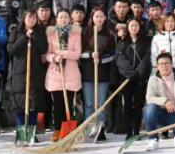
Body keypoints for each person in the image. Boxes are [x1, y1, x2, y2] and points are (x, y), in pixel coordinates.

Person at [6, 9, 49, 135]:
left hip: (35, 73)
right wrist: (25, 37)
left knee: (33, 105)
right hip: (19, 73)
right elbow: (11, 50)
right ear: (24, 19)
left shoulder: (40, 32)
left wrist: (33, 35)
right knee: (20, 105)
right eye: (29, 17)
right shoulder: (16, 32)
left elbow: (43, 49)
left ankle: (31, 133)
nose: (32, 20)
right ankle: (21, 132)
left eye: (34, 17)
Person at [143, 52, 175, 152]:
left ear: (172, 64)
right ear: (157, 66)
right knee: (149, 108)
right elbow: (149, 98)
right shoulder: (153, 79)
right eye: (161, 64)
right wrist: (165, 101)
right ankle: (153, 139)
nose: (164, 66)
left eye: (167, 63)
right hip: (160, 114)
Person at [44, 9, 82, 139]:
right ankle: (57, 129)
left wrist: (63, 53)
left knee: (69, 104)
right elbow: (47, 53)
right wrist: (54, 58)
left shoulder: (75, 34)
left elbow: (77, 53)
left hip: (71, 73)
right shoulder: (51, 34)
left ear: (70, 19)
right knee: (58, 104)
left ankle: (68, 129)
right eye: (61, 17)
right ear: (56, 19)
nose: (63, 20)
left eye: (66, 17)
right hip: (56, 73)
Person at [81, 8, 115, 140]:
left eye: (101, 16)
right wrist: (90, 55)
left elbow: (113, 55)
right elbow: (79, 53)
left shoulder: (109, 34)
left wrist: (100, 59)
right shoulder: (85, 33)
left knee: (101, 103)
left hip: (103, 74)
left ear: (105, 18)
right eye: (96, 16)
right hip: (88, 73)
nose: (99, 19)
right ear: (92, 18)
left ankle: (100, 129)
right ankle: (89, 128)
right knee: (89, 103)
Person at [117, 18, 152, 137]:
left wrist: (138, 72)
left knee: (138, 104)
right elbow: (120, 59)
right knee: (127, 104)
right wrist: (130, 73)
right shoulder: (122, 42)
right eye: (131, 25)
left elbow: (147, 57)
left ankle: (136, 131)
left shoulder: (146, 41)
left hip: (140, 78)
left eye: (136, 25)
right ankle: (128, 132)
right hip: (126, 78)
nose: (134, 28)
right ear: (127, 27)